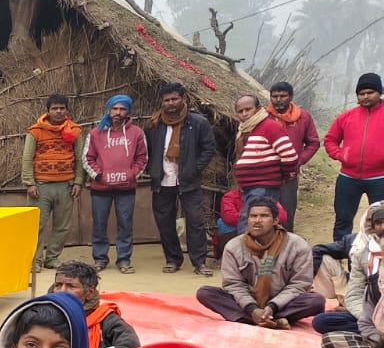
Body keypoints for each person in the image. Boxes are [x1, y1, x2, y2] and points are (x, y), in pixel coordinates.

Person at [196, 197, 324, 329]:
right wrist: (252, 308)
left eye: (264, 216)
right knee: (205, 293)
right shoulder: (234, 246)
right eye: (253, 216)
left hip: (283, 302)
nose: (257, 220)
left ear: (275, 220)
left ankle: (256, 318)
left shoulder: (297, 245)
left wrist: (273, 306)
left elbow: (299, 284)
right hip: (247, 303)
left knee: (316, 301)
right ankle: (272, 320)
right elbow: (233, 284)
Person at [146, 81, 218, 276]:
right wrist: (152, 169)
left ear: (183, 98)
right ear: (162, 102)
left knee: (195, 221)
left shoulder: (197, 122)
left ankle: (199, 262)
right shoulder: (154, 124)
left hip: (189, 180)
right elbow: (148, 150)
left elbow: (208, 148)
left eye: (174, 99)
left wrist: (194, 168)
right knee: (165, 222)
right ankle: (173, 259)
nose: (170, 103)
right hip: (162, 180)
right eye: (166, 100)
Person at [82, 94, 147, 274]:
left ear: (128, 111)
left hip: (126, 188)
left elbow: (142, 158)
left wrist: (131, 175)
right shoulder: (96, 133)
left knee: (125, 224)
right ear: (109, 110)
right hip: (101, 188)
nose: (118, 112)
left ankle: (124, 259)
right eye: (115, 108)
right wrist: (98, 175)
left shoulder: (136, 133)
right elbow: (87, 158)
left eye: (122, 109)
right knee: (99, 224)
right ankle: (100, 259)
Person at [21, 95, 85, 272]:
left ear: (67, 110)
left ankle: (52, 258)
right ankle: (36, 260)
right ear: (48, 111)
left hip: (66, 185)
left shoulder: (74, 131)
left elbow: (79, 158)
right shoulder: (35, 131)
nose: (58, 111)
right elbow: (27, 158)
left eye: (62, 108)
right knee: (37, 225)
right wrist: (30, 183)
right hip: (41, 186)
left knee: (62, 225)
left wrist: (78, 182)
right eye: (55, 108)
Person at [315, 201, 384, 348]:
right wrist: (373, 322)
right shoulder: (363, 255)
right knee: (322, 323)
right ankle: (379, 347)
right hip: (372, 317)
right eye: (379, 223)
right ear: (372, 227)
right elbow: (354, 294)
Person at [50, 260, 140, 348]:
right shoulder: (42, 314)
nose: (62, 291)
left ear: (90, 293)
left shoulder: (105, 319)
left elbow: (131, 346)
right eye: (58, 285)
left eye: (71, 286)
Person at [324, 72, 384, 241]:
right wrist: (340, 154)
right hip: (348, 178)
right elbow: (330, 139)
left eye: (370, 92)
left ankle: (378, 254)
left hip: (380, 178)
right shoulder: (346, 117)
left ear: (379, 92)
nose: (365, 96)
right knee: (342, 219)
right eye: (361, 93)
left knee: (380, 220)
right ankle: (341, 252)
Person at [231, 93, 298, 232]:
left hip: (263, 187)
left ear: (258, 108)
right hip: (250, 188)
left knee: (250, 226)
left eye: (248, 109)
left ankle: (250, 247)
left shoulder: (270, 126)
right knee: (255, 225)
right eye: (240, 111)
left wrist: (284, 175)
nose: (244, 114)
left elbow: (289, 156)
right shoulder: (245, 130)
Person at [266, 81, 320, 229]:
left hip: (289, 175)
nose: (278, 100)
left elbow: (313, 142)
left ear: (290, 97)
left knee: (286, 214)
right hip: (266, 173)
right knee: (265, 211)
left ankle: (286, 241)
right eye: (274, 96)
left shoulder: (303, 117)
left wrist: (298, 160)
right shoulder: (263, 117)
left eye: (283, 96)